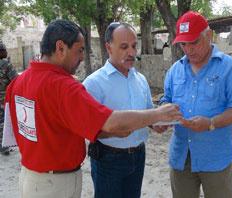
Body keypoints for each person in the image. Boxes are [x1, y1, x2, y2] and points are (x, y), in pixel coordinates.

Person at [4, 19, 182, 198]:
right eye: (79, 50)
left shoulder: (17, 83)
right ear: (60, 48)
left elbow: (16, 133)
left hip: (30, 177)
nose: (82, 57)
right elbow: (110, 123)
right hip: (57, 183)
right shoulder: (65, 87)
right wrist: (158, 114)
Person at [159, 11, 232, 198]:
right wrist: (162, 117)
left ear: (209, 35)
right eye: (183, 44)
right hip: (181, 156)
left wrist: (210, 123)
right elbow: (166, 99)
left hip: (215, 157)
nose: (188, 49)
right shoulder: (175, 70)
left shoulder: (231, 67)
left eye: (194, 42)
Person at [83, 22, 168, 198]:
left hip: (138, 155)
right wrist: (111, 132)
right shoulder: (94, 84)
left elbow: (147, 112)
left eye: (134, 46)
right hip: (108, 159)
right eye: (124, 47)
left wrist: (156, 124)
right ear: (109, 47)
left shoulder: (141, 80)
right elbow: (86, 128)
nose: (131, 52)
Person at [0, 42, 18, 155]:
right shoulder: (6, 65)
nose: (6, 52)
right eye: (5, 50)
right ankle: (3, 147)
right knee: (3, 122)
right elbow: (16, 81)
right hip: (3, 99)